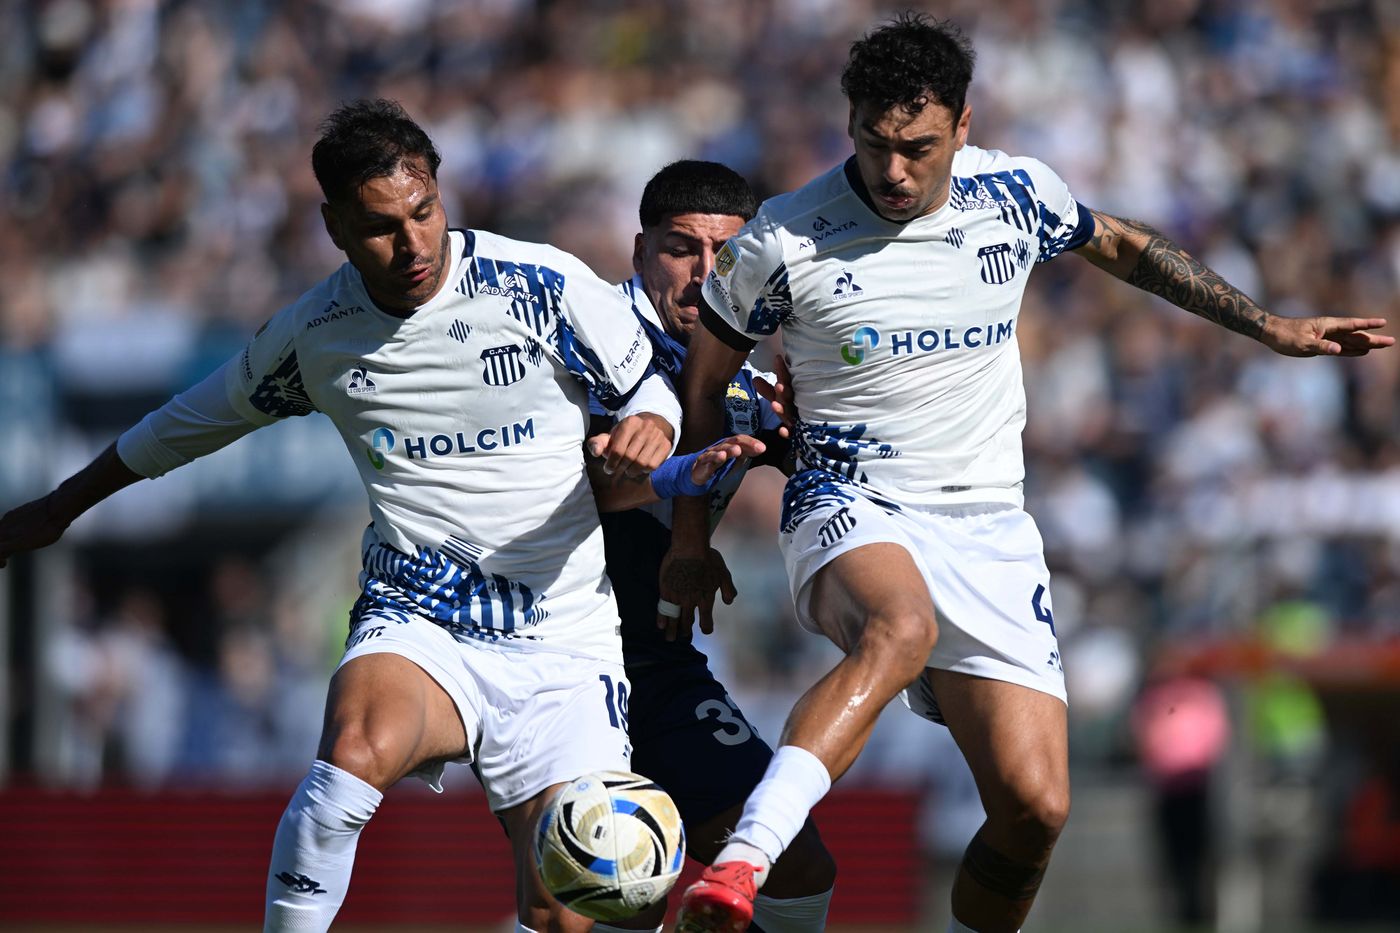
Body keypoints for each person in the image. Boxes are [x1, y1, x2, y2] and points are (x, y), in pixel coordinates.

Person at [663, 15, 1394, 933]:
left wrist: (1271, 327)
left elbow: (1125, 246)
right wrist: (689, 538)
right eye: (874, 144)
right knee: (898, 626)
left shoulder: (1015, 194)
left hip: (990, 526)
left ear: (963, 126)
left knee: (1037, 806)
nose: (893, 171)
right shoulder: (782, 240)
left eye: (918, 148)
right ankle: (738, 869)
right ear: (848, 124)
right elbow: (702, 398)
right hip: (850, 498)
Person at [0, 99, 745, 933]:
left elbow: (645, 380)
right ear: (336, 228)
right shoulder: (315, 333)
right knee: (350, 759)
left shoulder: (539, 283)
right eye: (383, 226)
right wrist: (62, 506)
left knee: (569, 911)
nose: (414, 243)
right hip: (420, 616)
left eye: (424, 211)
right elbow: (181, 426)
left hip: (562, 637)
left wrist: (655, 422)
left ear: (439, 193)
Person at [587, 160, 837, 933]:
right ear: (638, 253)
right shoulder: (585, 345)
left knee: (793, 863)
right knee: (618, 897)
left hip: (658, 665)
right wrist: (679, 475)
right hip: (558, 662)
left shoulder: (744, 390)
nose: (701, 276)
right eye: (679, 249)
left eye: (724, 255)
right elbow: (594, 481)